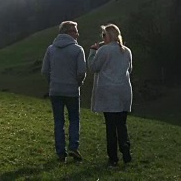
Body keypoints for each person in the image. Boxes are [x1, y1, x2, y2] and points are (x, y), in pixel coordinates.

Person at [88, 23, 133, 167]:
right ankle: (126, 151)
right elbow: (129, 69)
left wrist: (93, 52)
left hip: (108, 91)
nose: (102, 38)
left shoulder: (103, 51)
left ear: (109, 36)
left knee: (110, 126)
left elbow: (93, 67)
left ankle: (113, 158)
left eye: (104, 35)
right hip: (124, 90)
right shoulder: (127, 51)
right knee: (122, 124)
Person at [41, 21, 87, 162]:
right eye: (75, 31)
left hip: (55, 90)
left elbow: (44, 71)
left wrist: (52, 83)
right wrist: (78, 84)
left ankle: (61, 152)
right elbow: (81, 72)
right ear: (68, 33)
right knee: (74, 120)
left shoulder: (51, 49)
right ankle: (73, 146)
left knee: (58, 122)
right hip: (72, 90)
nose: (77, 34)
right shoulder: (78, 50)